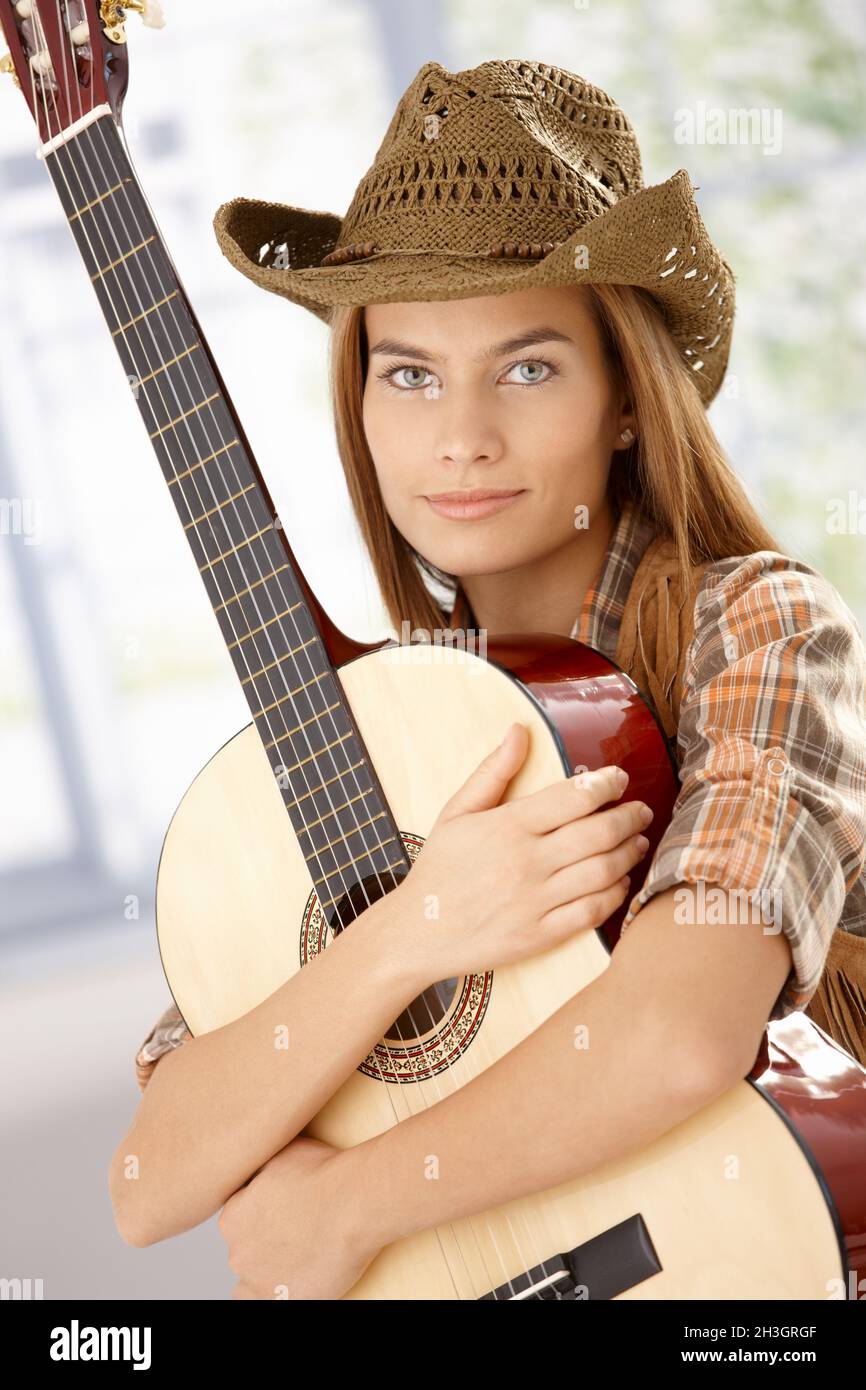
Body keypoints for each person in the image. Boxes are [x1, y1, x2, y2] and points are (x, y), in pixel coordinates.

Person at [110, 59, 866, 1299]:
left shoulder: (759, 629)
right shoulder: (375, 728)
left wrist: (344, 1208)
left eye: (525, 366)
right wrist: (414, 928)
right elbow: (153, 1187)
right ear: (357, 403)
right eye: (407, 372)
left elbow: (677, 1033)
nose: (459, 433)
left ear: (625, 398)